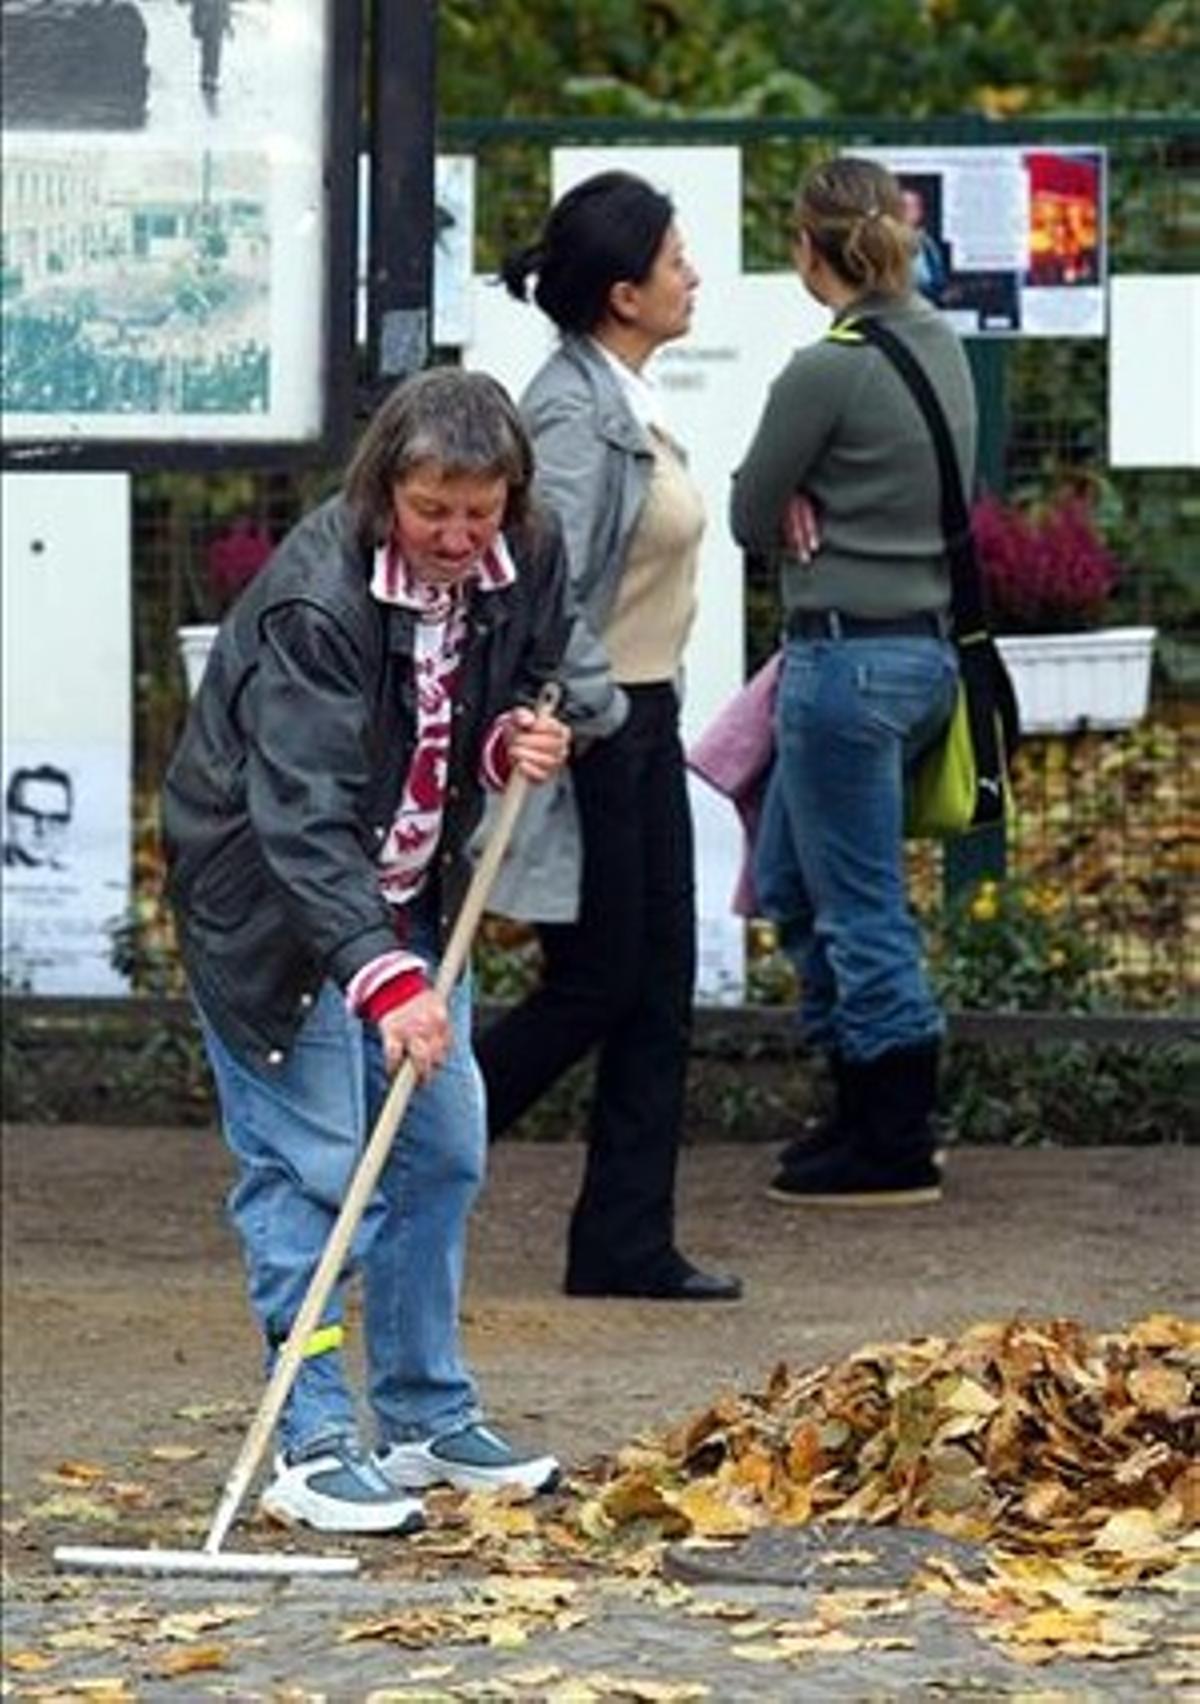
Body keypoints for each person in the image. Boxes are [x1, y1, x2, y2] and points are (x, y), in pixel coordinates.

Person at [162, 368, 573, 1535]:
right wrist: (379, 971)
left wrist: (512, 739)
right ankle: (309, 1439)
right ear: (385, 486)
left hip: (409, 900)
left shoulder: (526, 555)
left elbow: (523, 672)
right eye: (431, 511)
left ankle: (424, 1416)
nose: (455, 538)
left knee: (441, 1154)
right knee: (315, 1170)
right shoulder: (315, 605)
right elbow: (299, 813)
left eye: (478, 514)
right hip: (277, 914)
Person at [474, 170, 741, 1304]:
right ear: (625, 293)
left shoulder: (619, 397)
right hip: (598, 732)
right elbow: (546, 586)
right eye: (677, 260)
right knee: (601, 983)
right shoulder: (573, 417)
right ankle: (395, 1146)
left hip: (640, 719)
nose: (694, 277)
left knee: (654, 987)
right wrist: (599, 710)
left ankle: (624, 1240)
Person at [730, 155, 976, 1207]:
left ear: (808, 248)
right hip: (919, 656)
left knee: (859, 906)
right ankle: (858, 1103)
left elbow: (749, 511)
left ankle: (892, 1138)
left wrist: (792, 502)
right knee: (791, 879)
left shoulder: (825, 368)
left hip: (845, 665)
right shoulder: (935, 341)